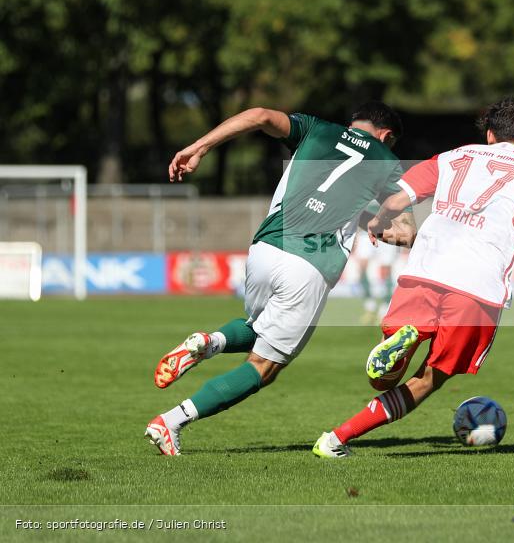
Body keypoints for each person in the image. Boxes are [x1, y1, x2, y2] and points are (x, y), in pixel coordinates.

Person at [145, 102, 416, 456]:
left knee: (259, 326)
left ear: (353, 123)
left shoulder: (317, 128)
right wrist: (380, 225)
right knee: (264, 367)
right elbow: (406, 233)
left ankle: (209, 342)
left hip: (264, 249)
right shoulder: (387, 162)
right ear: (387, 136)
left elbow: (258, 115)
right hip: (309, 265)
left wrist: (200, 147)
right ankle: (172, 421)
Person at [312, 97, 514, 458]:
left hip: (424, 271)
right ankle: (336, 437)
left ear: (489, 134)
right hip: (477, 288)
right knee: (429, 378)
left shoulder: (453, 156)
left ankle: (398, 346)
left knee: (381, 377)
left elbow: (398, 200)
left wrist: (379, 222)